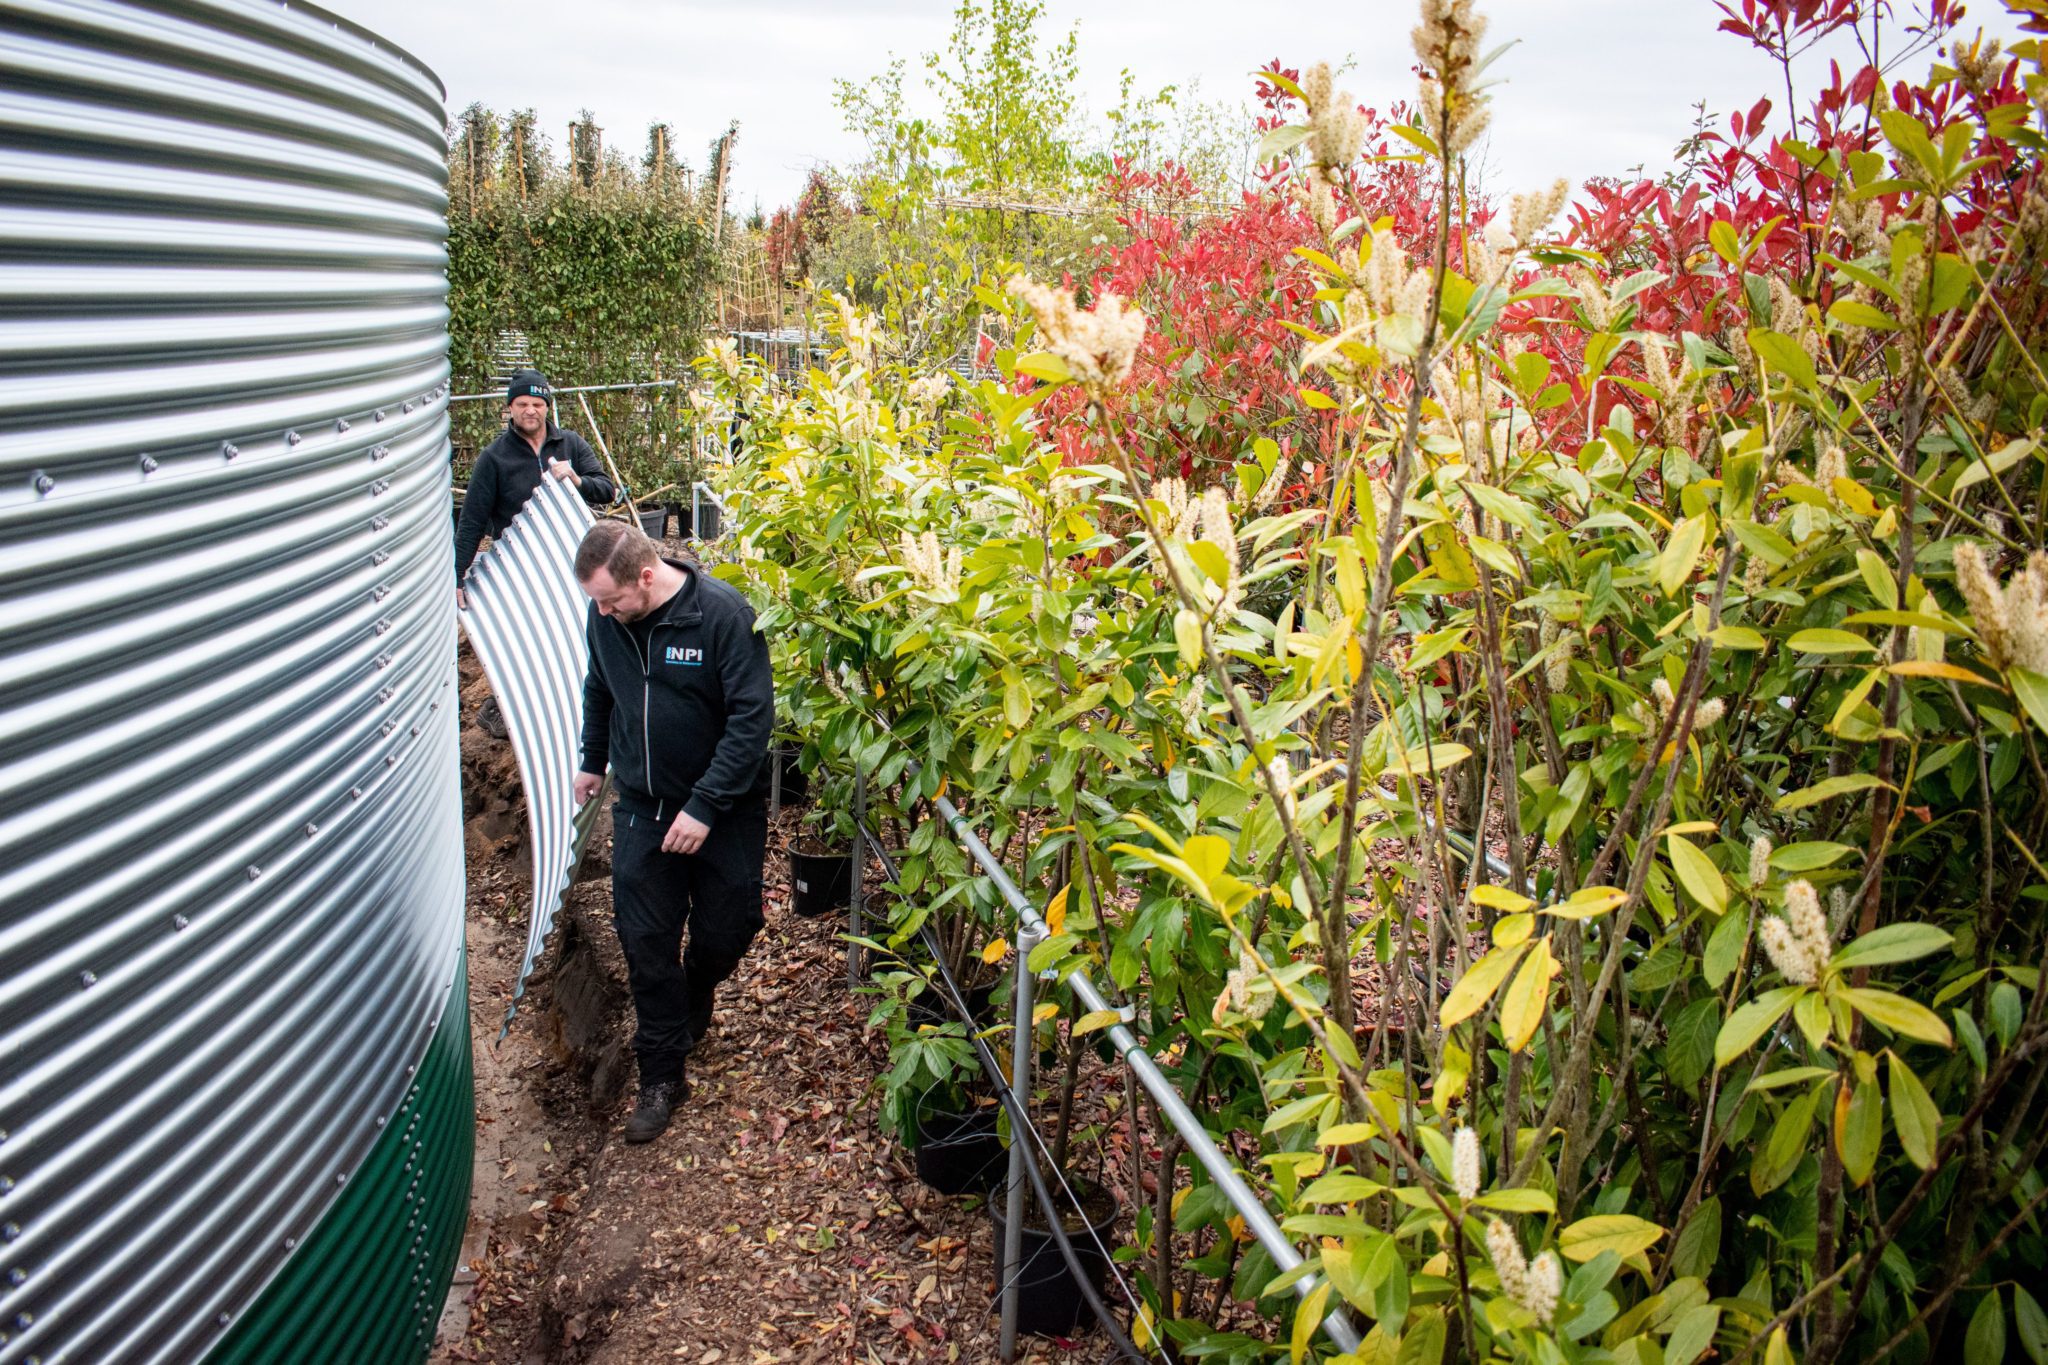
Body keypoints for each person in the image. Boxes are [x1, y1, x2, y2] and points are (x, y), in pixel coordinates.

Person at [571, 518, 773, 1143]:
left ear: (648, 576)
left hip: (725, 809)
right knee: (644, 942)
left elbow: (751, 720)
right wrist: (591, 760)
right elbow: (599, 688)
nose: (603, 612)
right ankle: (662, 1075)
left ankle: (698, 989)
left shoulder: (720, 616)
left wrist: (706, 806)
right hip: (642, 806)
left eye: (611, 598)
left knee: (729, 927)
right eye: (595, 602)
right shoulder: (606, 621)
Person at [455, 368, 615, 608]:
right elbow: (471, 522)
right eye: (522, 404)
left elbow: (606, 490)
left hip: (573, 557)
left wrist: (577, 480)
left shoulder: (570, 443)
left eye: (537, 404)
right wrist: (456, 577)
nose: (530, 410)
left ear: (547, 407)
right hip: (519, 567)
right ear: (510, 406)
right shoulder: (494, 458)